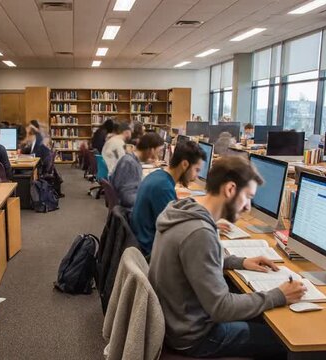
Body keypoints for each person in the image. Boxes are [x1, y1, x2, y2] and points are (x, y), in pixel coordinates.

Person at [149, 156, 306, 359]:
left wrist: (239, 262)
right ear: (230, 189)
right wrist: (278, 295)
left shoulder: (186, 210)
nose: (248, 206)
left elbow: (193, 262)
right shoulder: (199, 232)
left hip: (177, 319)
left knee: (264, 315)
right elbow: (221, 308)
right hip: (195, 336)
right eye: (248, 197)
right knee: (284, 341)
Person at [132, 140, 206, 255]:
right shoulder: (163, 187)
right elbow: (176, 232)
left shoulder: (158, 176)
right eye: (196, 170)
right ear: (185, 164)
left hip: (143, 240)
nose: (196, 176)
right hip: (151, 251)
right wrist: (206, 227)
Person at [110, 133, 164, 208]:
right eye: (159, 151)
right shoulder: (129, 163)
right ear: (151, 150)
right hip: (129, 212)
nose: (158, 155)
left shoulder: (131, 160)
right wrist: (149, 200)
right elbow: (128, 198)